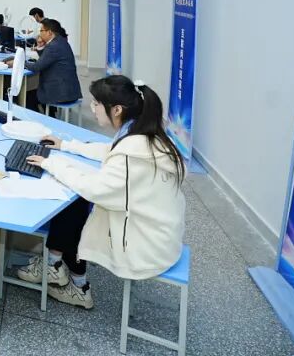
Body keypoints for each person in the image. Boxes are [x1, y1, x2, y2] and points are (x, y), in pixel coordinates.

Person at [16, 75, 186, 309]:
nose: (92, 108)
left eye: (97, 104)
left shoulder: (131, 154)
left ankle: (77, 285)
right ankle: (55, 265)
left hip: (146, 246)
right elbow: (109, 150)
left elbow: (95, 189)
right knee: (77, 195)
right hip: (157, 231)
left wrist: (51, 163)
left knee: (78, 198)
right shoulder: (141, 133)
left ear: (116, 110)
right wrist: (66, 146)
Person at [24, 18, 82, 113]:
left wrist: (20, 63)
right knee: (36, 92)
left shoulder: (53, 46)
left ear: (49, 32)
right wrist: (40, 46)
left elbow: (36, 67)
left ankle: (40, 120)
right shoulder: (60, 41)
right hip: (70, 90)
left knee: (27, 97)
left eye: (41, 31)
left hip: (61, 93)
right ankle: (51, 115)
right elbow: (47, 58)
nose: (39, 34)